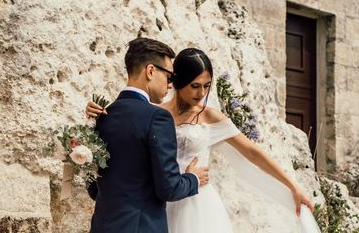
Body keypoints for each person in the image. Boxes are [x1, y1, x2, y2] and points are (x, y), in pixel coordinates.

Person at [87, 47, 320, 233]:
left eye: (206, 86)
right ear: (177, 82)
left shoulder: (209, 115)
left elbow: (252, 152)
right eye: (195, 86)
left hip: (197, 205)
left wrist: (292, 186)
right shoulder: (154, 114)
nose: (201, 93)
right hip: (159, 203)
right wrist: (95, 114)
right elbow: (128, 133)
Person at [89, 38, 210, 233]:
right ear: (151, 71)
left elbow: (93, 187)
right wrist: (192, 178)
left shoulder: (103, 115)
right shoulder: (157, 118)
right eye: (169, 77)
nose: (171, 85)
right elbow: (169, 188)